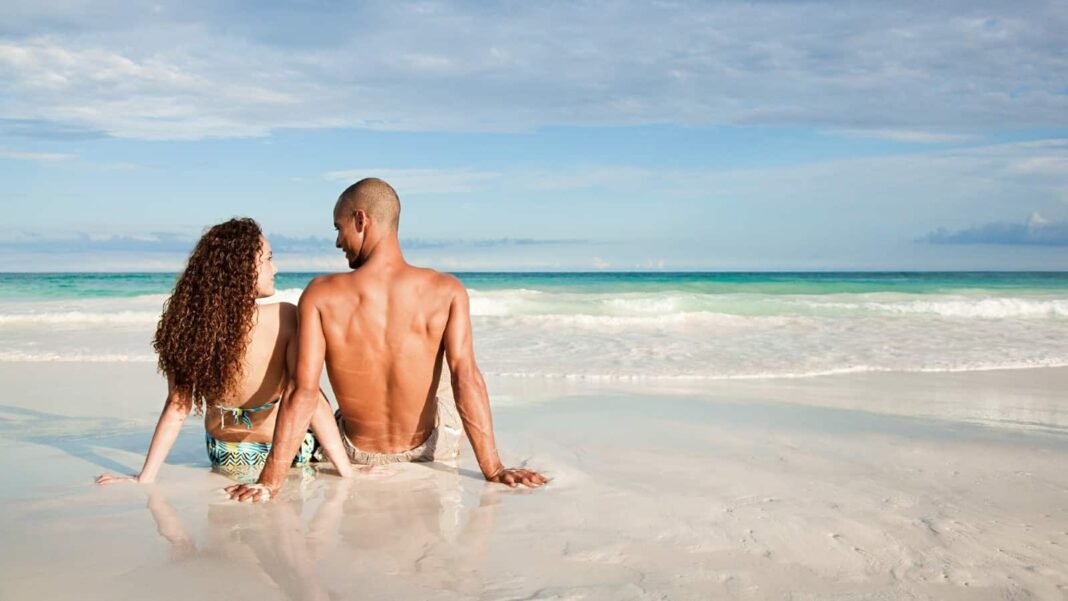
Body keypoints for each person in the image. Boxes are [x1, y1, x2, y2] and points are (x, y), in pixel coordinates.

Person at [227, 179, 545, 502]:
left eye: (339, 228)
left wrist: (269, 482)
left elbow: (303, 392)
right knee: (456, 370)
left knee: (310, 385)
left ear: (361, 220)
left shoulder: (320, 296)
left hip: (357, 452)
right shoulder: (447, 291)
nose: (338, 241)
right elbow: (467, 379)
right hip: (433, 447)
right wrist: (494, 468)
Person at [97, 218, 352, 485]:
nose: (274, 268)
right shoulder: (285, 316)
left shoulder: (187, 326)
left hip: (223, 455)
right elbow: (309, 399)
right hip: (285, 454)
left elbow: (177, 406)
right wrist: (347, 472)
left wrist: (144, 477)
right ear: (243, 268)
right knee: (335, 413)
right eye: (268, 259)